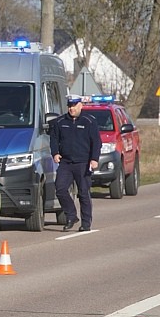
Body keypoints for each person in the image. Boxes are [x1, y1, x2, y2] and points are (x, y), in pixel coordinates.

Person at [49, 95, 102, 231]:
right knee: (60, 189)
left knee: (83, 193)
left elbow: (96, 142)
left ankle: (86, 223)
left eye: (74, 106)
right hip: (66, 162)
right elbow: (54, 138)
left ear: (80, 105)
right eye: (70, 106)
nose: (71, 109)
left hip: (83, 163)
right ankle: (71, 215)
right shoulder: (60, 121)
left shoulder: (89, 121)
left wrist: (94, 159)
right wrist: (55, 153)